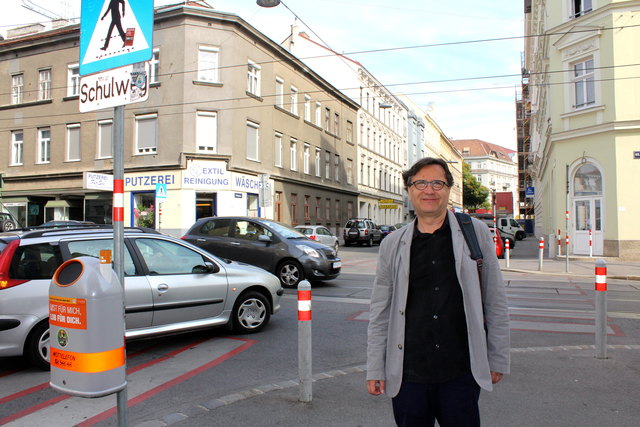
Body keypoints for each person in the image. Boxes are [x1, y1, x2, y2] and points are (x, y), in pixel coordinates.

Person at [366, 157, 510, 426]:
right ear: (409, 190)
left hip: (460, 372)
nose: (428, 190)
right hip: (409, 374)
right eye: (420, 183)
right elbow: (380, 311)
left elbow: (495, 299)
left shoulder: (474, 233)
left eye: (437, 183)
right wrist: (376, 367)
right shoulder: (392, 244)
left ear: (448, 190)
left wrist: (497, 357)